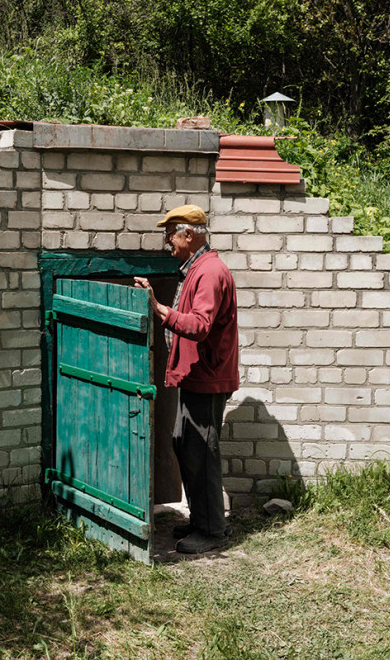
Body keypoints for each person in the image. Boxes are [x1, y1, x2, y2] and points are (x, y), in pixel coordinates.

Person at [134, 204, 239, 554]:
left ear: (189, 235)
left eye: (171, 234)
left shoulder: (209, 272)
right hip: (195, 376)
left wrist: (158, 308)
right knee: (185, 444)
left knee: (202, 453)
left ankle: (212, 531)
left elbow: (199, 325)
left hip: (207, 377)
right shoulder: (196, 267)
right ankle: (201, 519)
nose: (167, 241)